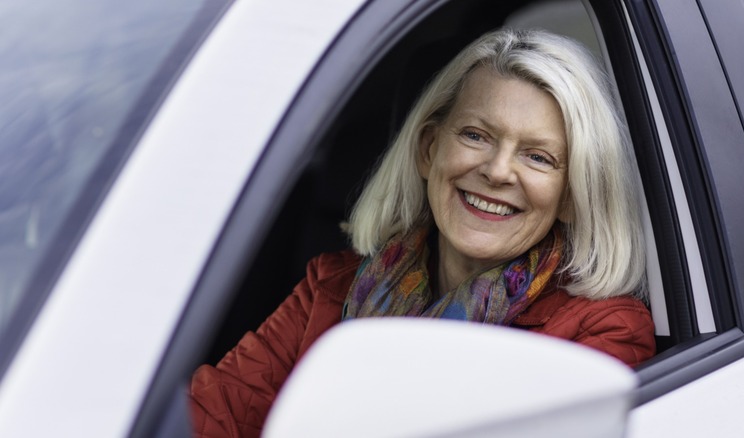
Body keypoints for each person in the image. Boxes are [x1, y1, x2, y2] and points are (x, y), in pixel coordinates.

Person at [189, 28, 655, 438]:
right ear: (429, 150)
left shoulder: (601, 331)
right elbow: (211, 414)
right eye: (476, 135)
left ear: (573, 195)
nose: (496, 171)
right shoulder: (330, 286)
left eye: (538, 157)